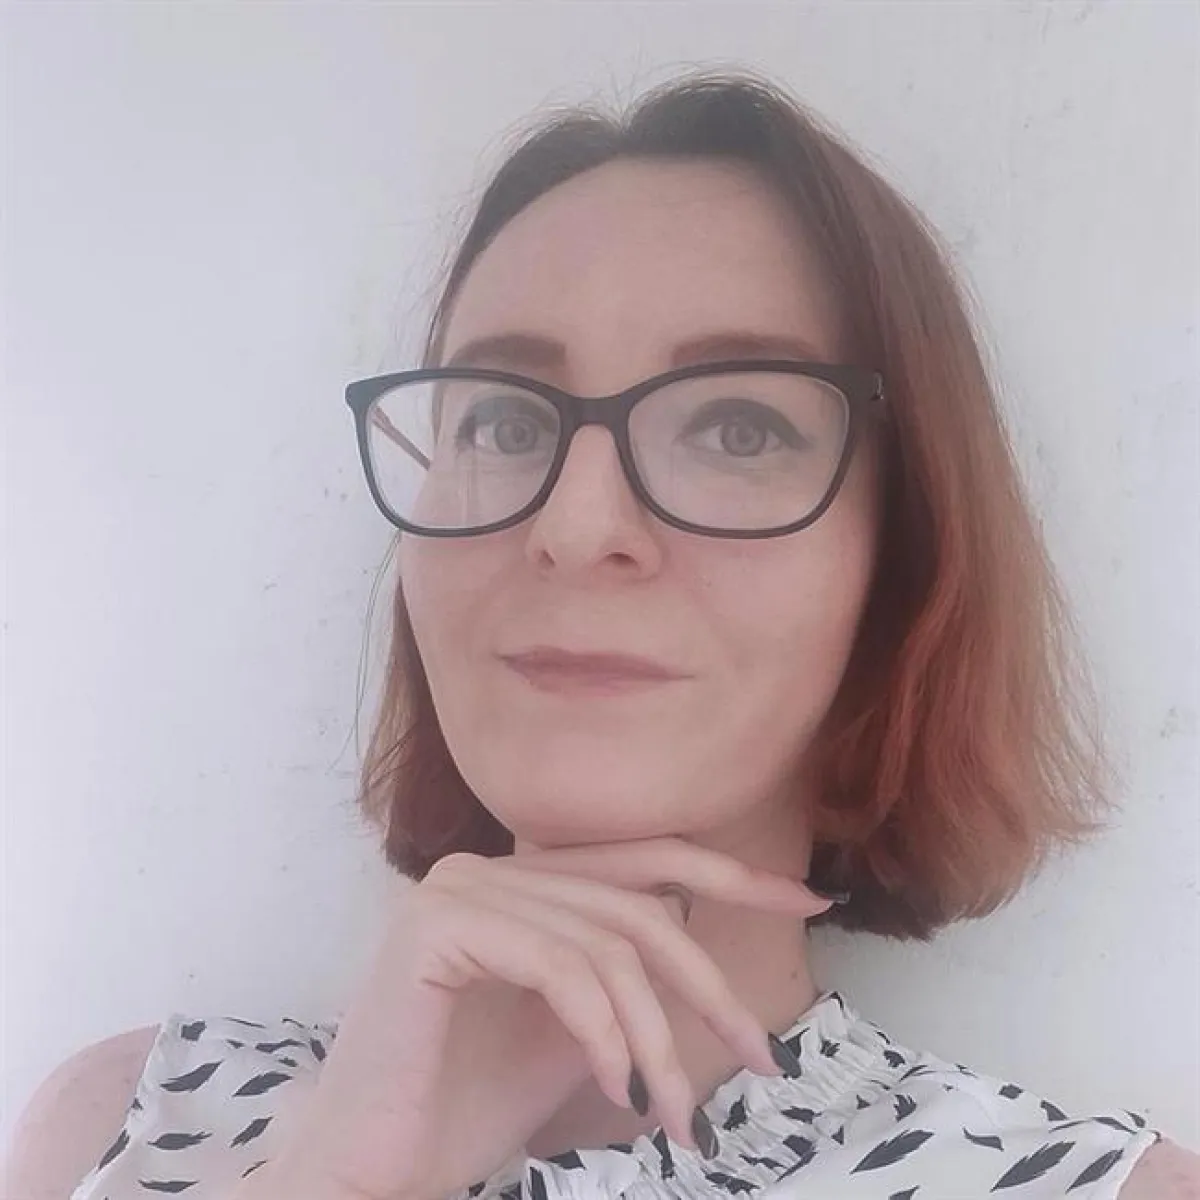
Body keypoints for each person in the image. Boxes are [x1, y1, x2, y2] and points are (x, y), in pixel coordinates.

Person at [6, 69, 1197, 1200]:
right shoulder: (130, 1124)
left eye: (738, 429)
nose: (575, 528)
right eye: (505, 423)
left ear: (900, 564)